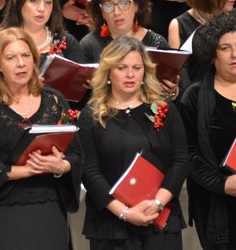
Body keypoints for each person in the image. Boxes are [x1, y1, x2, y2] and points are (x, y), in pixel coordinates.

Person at [0, 28, 81, 249]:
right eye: (11, 58)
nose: (21, 63)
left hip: (50, 206)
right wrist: (26, 170)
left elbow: (76, 155)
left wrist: (61, 166)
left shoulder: (54, 100)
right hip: (6, 210)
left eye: (26, 55)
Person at [77, 36, 188, 249]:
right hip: (111, 226)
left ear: (145, 71)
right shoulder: (91, 116)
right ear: (108, 72)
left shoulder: (165, 109)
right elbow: (90, 172)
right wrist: (125, 213)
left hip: (161, 219)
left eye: (137, 68)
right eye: (122, 67)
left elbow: (180, 161)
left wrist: (157, 203)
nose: (130, 74)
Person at [178, 11, 236, 249]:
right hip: (219, 207)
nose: (235, 54)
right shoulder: (194, 96)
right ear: (212, 54)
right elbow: (189, 155)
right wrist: (223, 184)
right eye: (225, 48)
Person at [80, 0, 171, 63]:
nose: (117, 12)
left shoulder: (157, 43)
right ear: (101, 11)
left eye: (123, 3)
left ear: (136, 5)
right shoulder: (89, 45)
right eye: (108, 5)